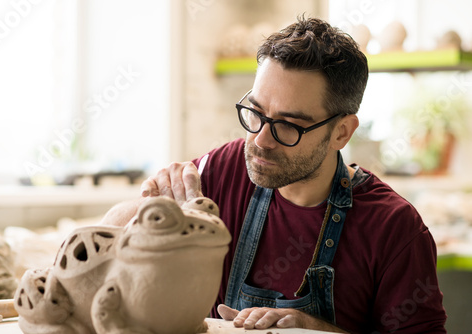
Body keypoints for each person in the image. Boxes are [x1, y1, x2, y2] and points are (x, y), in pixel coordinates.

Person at [102, 16, 447, 333]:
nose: (260, 140)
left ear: (342, 132)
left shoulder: (394, 228)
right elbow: (108, 237)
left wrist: (317, 330)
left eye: (288, 125)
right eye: (255, 112)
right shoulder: (224, 169)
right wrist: (152, 204)